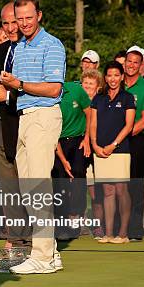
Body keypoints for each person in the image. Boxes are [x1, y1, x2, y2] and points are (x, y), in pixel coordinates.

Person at [0, 0, 66, 274]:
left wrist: (19, 84)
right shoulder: (20, 46)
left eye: (29, 17)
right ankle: (49, 252)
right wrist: (8, 91)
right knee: (28, 189)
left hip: (43, 116)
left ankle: (43, 257)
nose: (24, 23)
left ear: (39, 15)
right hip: (25, 118)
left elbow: (53, 89)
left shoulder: (51, 44)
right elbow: (20, 89)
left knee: (38, 188)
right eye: (19, 18)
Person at [0, 2, 28, 254]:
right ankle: (16, 243)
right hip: (2, 129)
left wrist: (8, 96)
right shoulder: (1, 51)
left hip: (26, 127)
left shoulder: (35, 49)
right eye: (6, 23)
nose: (11, 28)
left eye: (15, 22)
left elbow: (43, 92)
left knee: (29, 186)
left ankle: (36, 244)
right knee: (9, 189)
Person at [90, 61, 135, 244]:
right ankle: (108, 234)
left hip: (120, 150)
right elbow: (92, 123)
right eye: (109, 75)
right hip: (99, 150)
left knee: (120, 190)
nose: (113, 79)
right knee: (107, 190)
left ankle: (123, 234)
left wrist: (113, 144)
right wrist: (94, 144)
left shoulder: (127, 97)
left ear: (122, 76)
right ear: (105, 77)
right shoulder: (98, 98)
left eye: (116, 75)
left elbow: (129, 125)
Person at [52, 78, 91, 239]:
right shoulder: (49, 95)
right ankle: (62, 224)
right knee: (59, 181)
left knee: (78, 176)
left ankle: (78, 219)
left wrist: (87, 138)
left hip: (78, 140)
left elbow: (90, 113)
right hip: (57, 142)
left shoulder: (76, 89)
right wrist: (63, 160)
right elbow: (52, 133)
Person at [124, 46, 144, 241]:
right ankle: (117, 227)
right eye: (129, 61)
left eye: (136, 62)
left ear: (141, 65)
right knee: (118, 186)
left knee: (135, 186)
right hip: (117, 142)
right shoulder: (116, 84)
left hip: (136, 141)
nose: (132, 65)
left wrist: (123, 134)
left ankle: (135, 230)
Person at [80, 69, 105, 239]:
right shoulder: (76, 101)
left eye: (91, 84)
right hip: (79, 149)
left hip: (97, 148)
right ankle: (79, 224)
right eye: (85, 83)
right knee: (79, 188)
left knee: (98, 191)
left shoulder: (101, 102)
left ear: (98, 87)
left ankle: (98, 225)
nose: (88, 86)